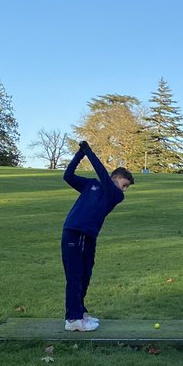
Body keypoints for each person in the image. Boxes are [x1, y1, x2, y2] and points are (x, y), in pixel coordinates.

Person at [61, 141, 134, 332]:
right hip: (74, 232)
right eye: (124, 184)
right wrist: (80, 154)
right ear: (116, 178)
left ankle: (80, 312)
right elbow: (67, 176)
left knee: (85, 275)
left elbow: (102, 174)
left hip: (89, 237)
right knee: (75, 276)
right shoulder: (91, 185)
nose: (124, 189)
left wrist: (89, 152)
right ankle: (73, 319)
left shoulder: (116, 196)